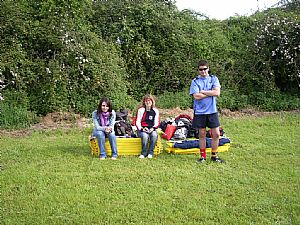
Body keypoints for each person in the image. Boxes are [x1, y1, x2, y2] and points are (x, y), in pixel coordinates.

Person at [189, 60, 225, 163]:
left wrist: (203, 92)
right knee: (202, 134)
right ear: (198, 70)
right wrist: (211, 93)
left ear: (208, 69)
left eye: (205, 69)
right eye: (201, 69)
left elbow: (217, 92)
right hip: (200, 112)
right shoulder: (195, 81)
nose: (203, 71)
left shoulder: (214, 79)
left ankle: (214, 155)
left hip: (212, 111)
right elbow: (196, 96)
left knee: (216, 134)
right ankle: (203, 157)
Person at [135, 94, 160, 159]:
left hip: (152, 128)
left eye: (149, 101)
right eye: (146, 101)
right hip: (142, 129)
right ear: (144, 102)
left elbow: (157, 122)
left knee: (154, 135)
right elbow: (137, 121)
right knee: (145, 136)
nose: (148, 102)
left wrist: (153, 128)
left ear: (152, 102)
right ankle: (144, 153)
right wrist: (142, 128)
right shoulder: (140, 110)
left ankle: (150, 153)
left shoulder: (155, 110)